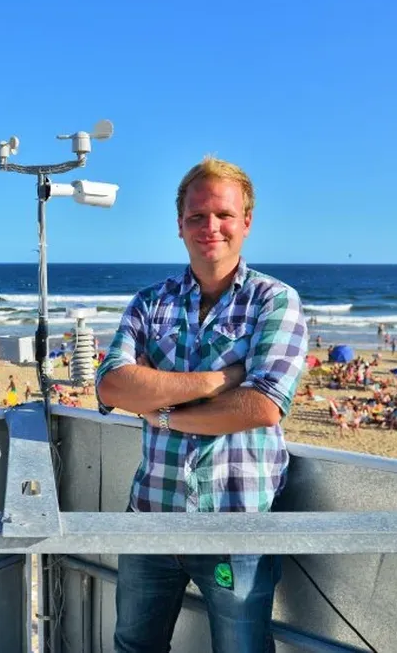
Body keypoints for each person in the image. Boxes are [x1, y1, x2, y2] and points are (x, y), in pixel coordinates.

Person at [96, 156, 308, 652]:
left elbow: (263, 405)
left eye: (223, 214)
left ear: (246, 222)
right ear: (179, 225)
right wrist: (219, 380)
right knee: (133, 647)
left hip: (238, 525)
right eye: (196, 216)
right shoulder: (151, 303)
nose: (210, 226)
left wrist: (164, 412)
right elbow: (111, 386)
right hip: (152, 515)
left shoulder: (274, 301)